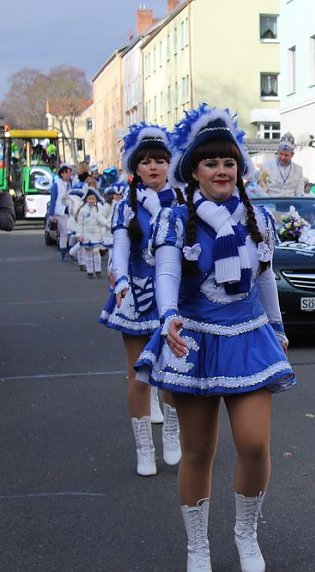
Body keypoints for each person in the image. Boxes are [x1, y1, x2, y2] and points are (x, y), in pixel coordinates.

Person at [135, 104, 295, 571]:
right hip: (196, 342)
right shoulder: (174, 219)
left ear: (239, 170)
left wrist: (278, 326)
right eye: (211, 163)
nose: (222, 170)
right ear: (194, 171)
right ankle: (197, 546)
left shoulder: (255, 219)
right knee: (198, 451)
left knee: (253, 445)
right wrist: (167, 317)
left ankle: (246, 533)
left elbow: (265, 279)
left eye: (229, 163)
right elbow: (166, 273)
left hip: (248, 338)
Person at [98, 123, 184, 476]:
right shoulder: (126, 207)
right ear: (135, 168)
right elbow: (119, 249)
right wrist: (119, 280)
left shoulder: (183, 202)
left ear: (169, 164)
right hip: (136, 295)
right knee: (138, 374)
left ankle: (174, 430)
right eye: (146, 161)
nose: (153, 167)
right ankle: (144, 446)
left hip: (176, 296)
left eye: (159, 160)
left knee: (175, 369)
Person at [74, 187, 109, 278]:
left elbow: (102, 222)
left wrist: (103, 234)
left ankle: (98, 270)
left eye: (93, 199)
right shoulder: (82, 210)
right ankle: (90, 271)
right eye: (89, 198)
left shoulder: (99, 209)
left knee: (96, 252)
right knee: (88, 253)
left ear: (96, 199)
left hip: (96, 234)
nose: (91, 200)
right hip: (86, 235)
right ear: (86, 199)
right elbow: (79, 224)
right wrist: (79, 235)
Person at [47, 165, 74, 260]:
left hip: (69, 211)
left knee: (69, 233)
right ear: (62, 174)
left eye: (70, 172)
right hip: (60, 212)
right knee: (64, 233)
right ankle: (64, 253)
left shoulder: (70, 183)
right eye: (67, 172)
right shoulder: (56, 184)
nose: (69, 174)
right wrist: (51, 215)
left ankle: (68, 252)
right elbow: (53, 199)